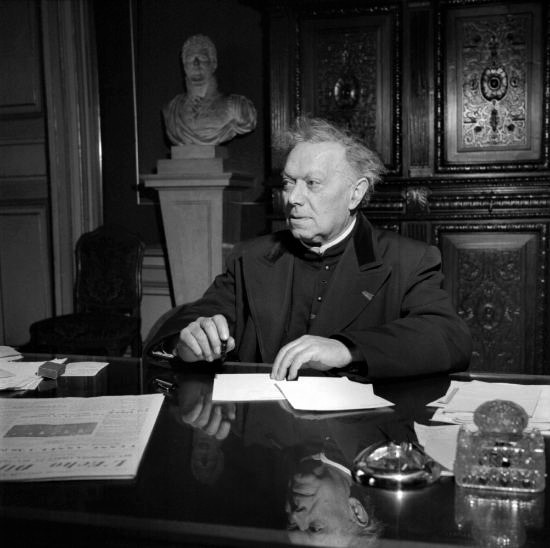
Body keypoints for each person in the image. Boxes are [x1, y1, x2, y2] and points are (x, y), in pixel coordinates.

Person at [146, 116, 472, 380]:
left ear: (356, 193)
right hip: (265, 432)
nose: (293, 198)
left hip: (358, 435)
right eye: (289, 183)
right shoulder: (251, 257)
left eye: (312, 184)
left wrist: (347, 350)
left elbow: (449, 338)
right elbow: (183, 327)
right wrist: (187, 343)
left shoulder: (407, 260)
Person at [163, 34, 257, 146]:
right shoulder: (172, 109)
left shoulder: (237, 107)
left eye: (202, 58)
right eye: (190, 59)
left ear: (213, 63)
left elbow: (246, 122)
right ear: (184, 66)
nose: (196, 64)